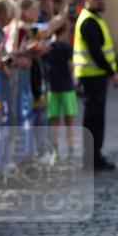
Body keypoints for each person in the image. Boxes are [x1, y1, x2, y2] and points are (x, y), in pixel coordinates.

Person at [73, 0, 118, 171]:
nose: (102, 2)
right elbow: (96, 54)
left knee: (96, 118)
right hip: (90, 78)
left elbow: (106, 52)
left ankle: (95, 156)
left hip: (95, 77)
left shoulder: (95, 18)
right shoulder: (88, 20)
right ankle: (92, 159)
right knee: (93, 119)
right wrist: (113, 73)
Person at [45, 18, 78, 160]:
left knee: (54, 122)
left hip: (52, 88)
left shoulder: (48, 47)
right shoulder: (66, 47)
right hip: (66, 88)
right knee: (69, 122)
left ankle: (55, 151)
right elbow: (70, 66)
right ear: (65, 30)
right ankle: (71, 150)